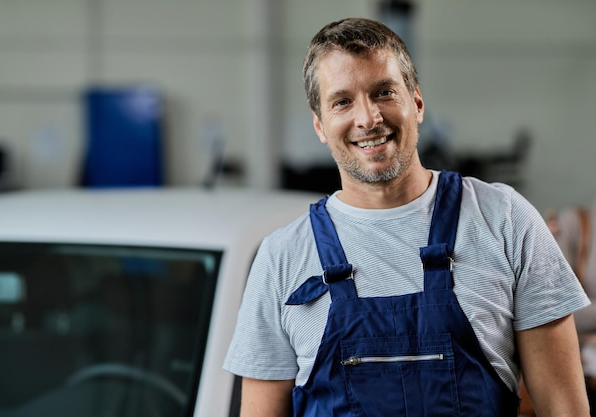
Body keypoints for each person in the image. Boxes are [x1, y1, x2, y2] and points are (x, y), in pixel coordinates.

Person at [223, 17, 591, 416]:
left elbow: (565, 408)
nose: (368, 118)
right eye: (342, 101)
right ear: (320, 125)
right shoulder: (281, 258)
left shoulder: (505, 221)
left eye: (383, 92)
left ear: (416, 103)